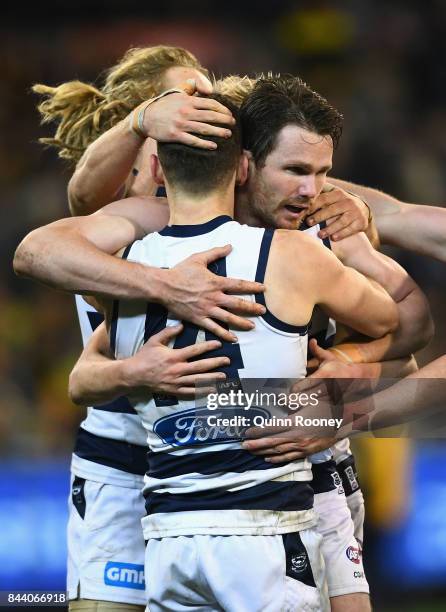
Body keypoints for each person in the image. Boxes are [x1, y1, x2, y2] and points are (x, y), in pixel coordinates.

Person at [16, 74, 432, 612]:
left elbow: (411, 331)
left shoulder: (325, 227)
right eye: (296, 171)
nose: (311, 188)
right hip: (161, 484)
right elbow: (76, 358)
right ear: (244, 165)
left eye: (321, 174)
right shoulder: (155, 227)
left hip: (307, 474)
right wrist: (164, 300)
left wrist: (349, 362)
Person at [29, 47, 266, 612]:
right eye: (184, 94)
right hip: (123, 460)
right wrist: (164, 287)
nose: (201, 103)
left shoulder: (229, 194)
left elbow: (297, 176)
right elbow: (68, 211)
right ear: (147, 115)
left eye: (206, 91)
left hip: (213, 467)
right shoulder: (123, 205)